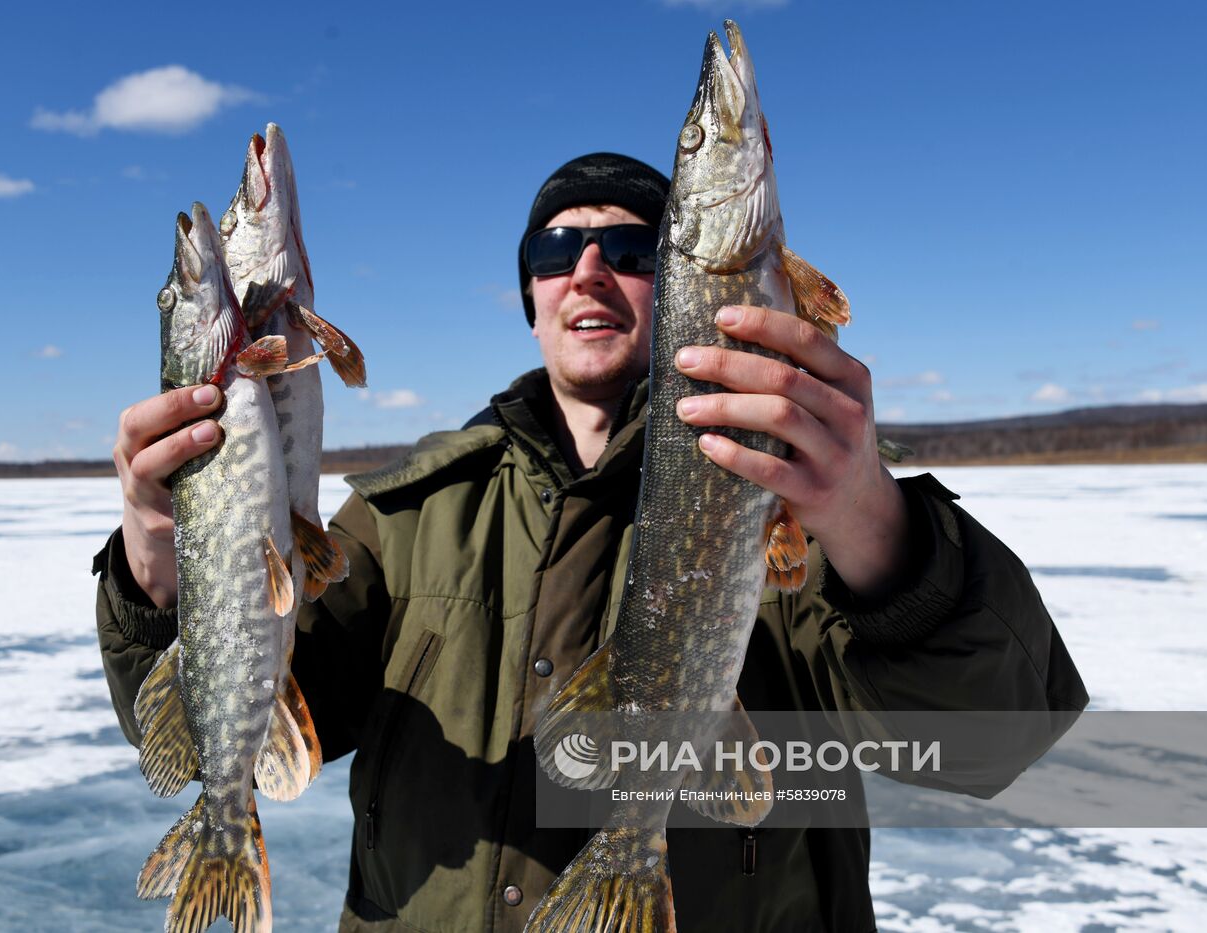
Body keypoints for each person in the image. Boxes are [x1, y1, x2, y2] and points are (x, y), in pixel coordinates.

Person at [95, 153, 1088, 931]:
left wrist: (870, 514)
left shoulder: (791, 505)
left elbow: (992, 738)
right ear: (527, 298)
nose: (587, 271)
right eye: (552, 251)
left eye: (631, 250)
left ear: (689, 280)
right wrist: (156, 562)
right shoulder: (403, 519)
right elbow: (221, 727)